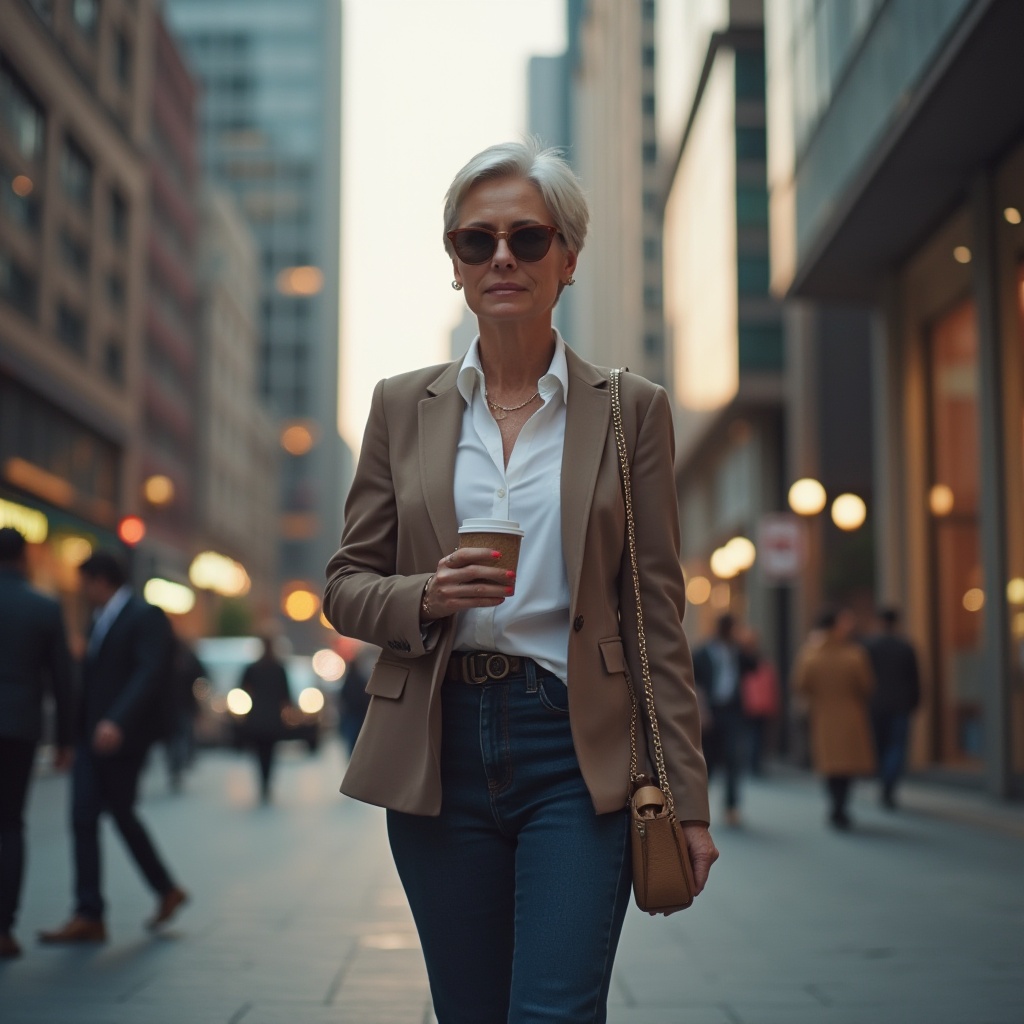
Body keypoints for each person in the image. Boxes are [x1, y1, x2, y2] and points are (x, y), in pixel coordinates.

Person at [323, 139, 717, 1024]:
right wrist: (424, 595)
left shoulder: (629, 409)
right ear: (455, 266)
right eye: (476, 241)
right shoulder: (399, 405)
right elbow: (346, 584)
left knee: (553, 1012)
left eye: (528, 239)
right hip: (439, 743)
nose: (502, 257)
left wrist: (686, 802)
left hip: (575, 747)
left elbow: (658, 613)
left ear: (567, 259)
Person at [39, 551, 188, 945]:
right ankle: (90, 912)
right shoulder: (98, 620)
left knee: (119, 814)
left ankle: (161, 890)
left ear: (101, 581)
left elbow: (149, 672)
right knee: (85, 816)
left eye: (85, 584)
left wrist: (117, 720)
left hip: (123, 737)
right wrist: (70, 738)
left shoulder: (145, 616)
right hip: (92, 737)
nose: (83, 592)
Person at [0, 528, 75, 959]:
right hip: (21, 727)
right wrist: (65, 740)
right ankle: (5, 927)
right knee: (11, 824)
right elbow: (63, 680)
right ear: (25, 558)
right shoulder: (44, 607)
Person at [792, 607, 876, 830]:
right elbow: (866, 685)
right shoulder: (854, 654)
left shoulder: (810, 654)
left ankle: (835, 804)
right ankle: (841, 806)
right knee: (846, 765)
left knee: (830, 764)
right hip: (851, 716)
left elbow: (800, 684)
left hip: (823, 717)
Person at [692, 614, 755, 825]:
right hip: (710, 710)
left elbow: (755, 666)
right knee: (707, 760)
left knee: (733, 758)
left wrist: (748, 644)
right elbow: (694, 682)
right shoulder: (702, 653)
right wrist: (702, 711)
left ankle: (731, 806)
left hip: (733, 711)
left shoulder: (737, 652)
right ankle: (699, 807)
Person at [863, 607, 921, 809]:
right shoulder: (905, 647)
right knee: (896, 746)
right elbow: (915, 679)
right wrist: (915, 701)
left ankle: (883, 782)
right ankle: (889, 785)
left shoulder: (869, 646)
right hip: (900, 704)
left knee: (880, 746)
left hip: (876, 704)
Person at [239, 637, 292, 804]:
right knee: (270, 753)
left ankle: (263, 782)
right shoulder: (279, 669)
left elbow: (242, 689)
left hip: (256, 717)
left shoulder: (253, 668)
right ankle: (267, 782)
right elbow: (286, 696)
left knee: (259, 752)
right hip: (273, 718)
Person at [737, 627, 781, 777]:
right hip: (754, 703)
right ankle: (752, 763)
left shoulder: (755, 660)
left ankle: (752, 763)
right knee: (754, 735)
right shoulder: (747, 659)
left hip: (756, 703)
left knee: (754, 735)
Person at [163, 637, 205, 793]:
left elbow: (200, 677)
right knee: (175, 738)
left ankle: (179, 763)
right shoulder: (166, 661)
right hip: (173, 707)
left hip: (184, 706)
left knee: (181, 735)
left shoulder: (188, 660)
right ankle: (176, 765)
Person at [337, 644, 376, 757]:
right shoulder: (356, 676)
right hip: (355, 715)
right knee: (354, 743)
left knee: (356, 743)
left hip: (356, 715)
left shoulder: (356, 675)